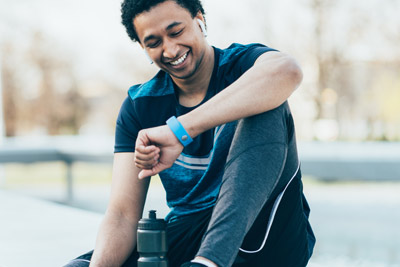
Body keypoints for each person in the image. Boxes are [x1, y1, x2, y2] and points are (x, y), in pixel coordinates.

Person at [65, 0, 315, 266]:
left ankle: (209, 261)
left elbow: (287, 71)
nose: (170, 50)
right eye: (153, 42)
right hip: (191, 233)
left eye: (176, 32)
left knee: (266, 101)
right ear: (142, 47)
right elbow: (123, 215)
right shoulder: (140, 105)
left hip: (264, 235)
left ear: (199, 20)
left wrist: (179, 131)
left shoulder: (242, 67)